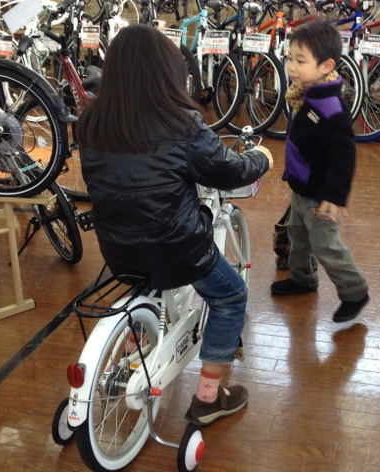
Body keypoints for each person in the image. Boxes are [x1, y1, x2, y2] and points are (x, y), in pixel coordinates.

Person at [78, 24, 273, 426]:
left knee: (145, 283)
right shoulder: (182, 124)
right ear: (166, 72)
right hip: (177, 249)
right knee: (230, 297)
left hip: (117, 248)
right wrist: (262, 160)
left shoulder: (92, 122)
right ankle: (209, 398)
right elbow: (226, 171)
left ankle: (134, 349)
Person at [271, 21, 370, 323]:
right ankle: (303, 279)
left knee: (326, 246)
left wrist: (335, 195)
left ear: (326, 66)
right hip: (301, 187)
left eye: (301, 61)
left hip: (321, 196)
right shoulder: (304, 94)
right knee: (297, 235)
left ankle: (355, 291)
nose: (291, 66)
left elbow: (344, 156)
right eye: (290, 58)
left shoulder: (330, 107)